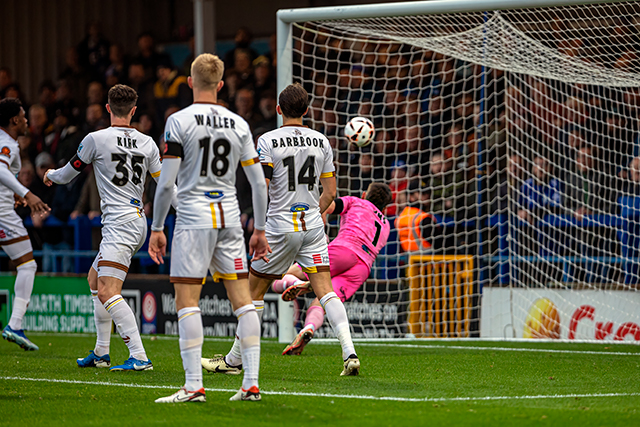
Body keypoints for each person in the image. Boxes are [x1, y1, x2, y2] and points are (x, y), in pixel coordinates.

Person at [201, 83, 360, 378]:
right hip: (312, 224)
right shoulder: (321, 140)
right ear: (307, 110)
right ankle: (349, 352)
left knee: (253, 292)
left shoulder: (268, 141)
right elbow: (331, 193)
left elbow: (262, 186)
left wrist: (259, 229)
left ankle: (235, 361)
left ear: (278, 109)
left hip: (278, 226)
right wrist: (313, 212)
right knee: (326, 290)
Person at [148, 53, 269, 403]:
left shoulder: (178, 121)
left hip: (193, 220)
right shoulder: (239, 124)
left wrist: (157, 227)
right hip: (230, 218)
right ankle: (251, 384)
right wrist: (259, 228)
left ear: (189, 83)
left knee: (187, 301)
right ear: (219, 85)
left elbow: (166, 184)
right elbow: (258, 184)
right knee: (244, 303)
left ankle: (193, 386)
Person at [44, 85, 167, 371]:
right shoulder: (147, 142)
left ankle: (139, 356)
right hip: (138, 220)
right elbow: (164, 185)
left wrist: (49, 174)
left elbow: (66, 176)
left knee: (108, 291)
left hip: (119, 225)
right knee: (94, 279)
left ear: (108, 108)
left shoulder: (95, 139)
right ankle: (101, 352)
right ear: (134, 111)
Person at [270, 183, 392, 355]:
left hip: (344, 250)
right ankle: (309, 328)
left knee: (281, 276)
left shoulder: (356, 201)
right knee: (324, 301)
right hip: (362, 267)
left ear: (365, 194)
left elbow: (327, 203)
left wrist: (320, 229)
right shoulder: (386, 225)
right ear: (385, 208)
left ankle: (299, 283)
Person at [0, 98, 50, 350]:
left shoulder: (8, 142)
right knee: (27, 265)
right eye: (23, 115)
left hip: (6, 206)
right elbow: (0, 170)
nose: (27, 120)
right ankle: (15, 324)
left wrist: (15, 195)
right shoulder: (6, 143)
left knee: (26, 264)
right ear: (14, 120)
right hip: (1, 213)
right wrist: (27, 194)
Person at [396, 179, 442, 253]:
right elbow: (439, 243)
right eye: (422, 193)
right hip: (428, 259)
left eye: (428, 193)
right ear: (411, 197)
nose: (427, 196)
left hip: (409, 259)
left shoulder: (400, 217)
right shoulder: (422, 218)